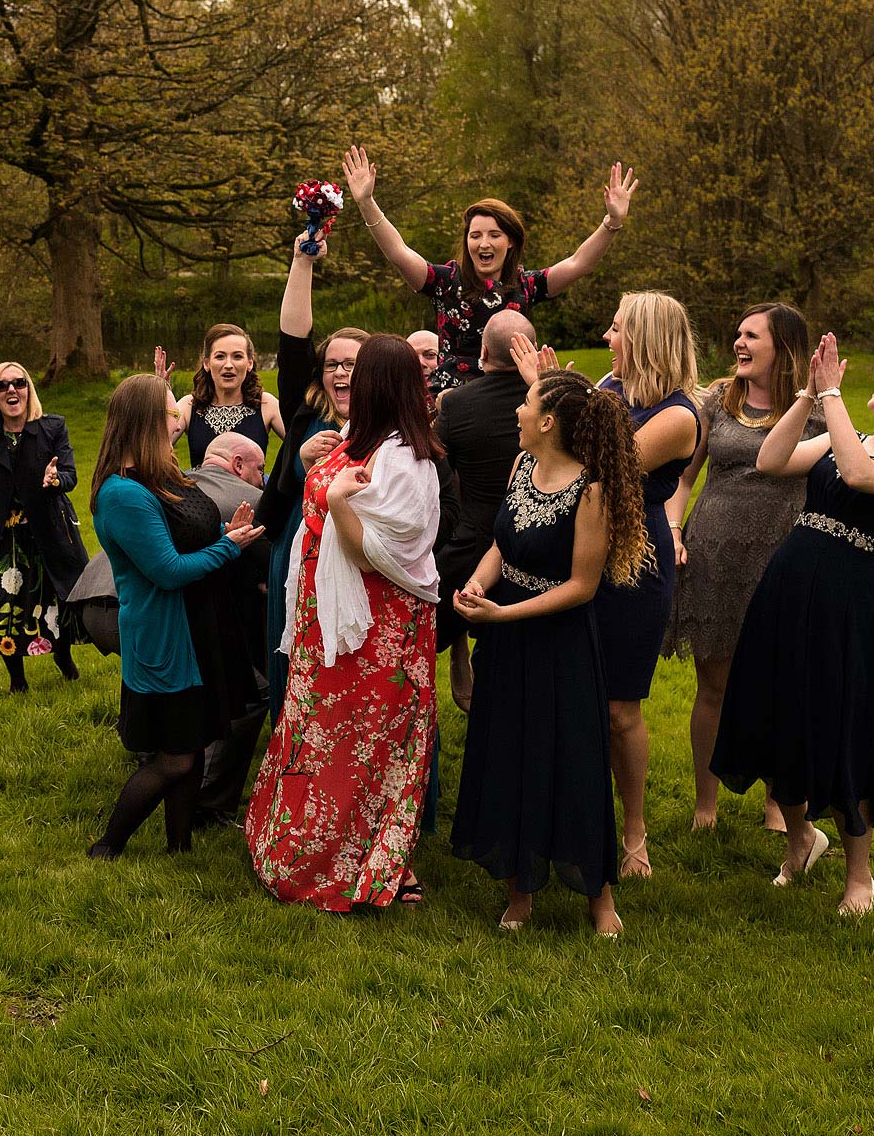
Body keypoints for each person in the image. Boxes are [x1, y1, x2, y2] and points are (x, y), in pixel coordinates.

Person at [712, 338, 874, 916]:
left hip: (845, 600)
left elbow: (857, 476)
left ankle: (860, 878)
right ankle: (802, 840)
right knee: (784, 707)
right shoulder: (841, 432)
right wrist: (808, 394)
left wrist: (832, 393)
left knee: (843, 718)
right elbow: (771, 461)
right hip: (788, 584)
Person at [243, 335, 443, 912]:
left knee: (368, 750)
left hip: (375, 635)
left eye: (359, 374)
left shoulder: (405, 458)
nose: (346, 382)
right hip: (327, 629)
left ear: (380, 385)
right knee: (321, 742)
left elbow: (374, 553)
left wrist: (334, 501)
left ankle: (372, 868)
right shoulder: (359, 438)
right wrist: (315, 474)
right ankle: (301, 853)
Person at [449, 370, 649, 937]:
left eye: (526, 403)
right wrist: (479, 586)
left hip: (559, 642)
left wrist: (503, 615)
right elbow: (500, 545)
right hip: (506, 635)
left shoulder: (591, 490)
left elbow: (582, 586)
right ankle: (520, 890)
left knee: (570, 759)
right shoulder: (520, 467)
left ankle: (599, 897)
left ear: (548, 422)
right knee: (512, 750)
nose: (516, 411)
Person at [87, 375, 264, 858]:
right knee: (176, 757)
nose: (180, 419)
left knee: (190, 747)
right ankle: (108, 846)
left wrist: (225, 531)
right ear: (148, 422)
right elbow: (167, 571)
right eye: (171, 412)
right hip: (164, 637)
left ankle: (179, 849)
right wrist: (229, 547)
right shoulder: (123, 494)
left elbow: (184, 537)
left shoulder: (157, 475)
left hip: (193, 628)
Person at [664, 303, 820, 832]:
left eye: (752, 335)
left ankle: (779, 801)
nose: (739, 343)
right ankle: (705, 805)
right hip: (714, 559)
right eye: (738, 334)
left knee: (780, 685)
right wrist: (675, 529)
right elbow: (685, 479)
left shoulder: (816, 411)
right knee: (714, 685)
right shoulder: (717, 400)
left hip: (779, 562)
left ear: (783, 347)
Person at [343, 144, 638, 393]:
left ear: (510, 241)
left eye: (494, 235)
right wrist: (366, 202)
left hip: (512, 396)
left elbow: (578, 263)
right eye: (476, 235)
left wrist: (612, 223)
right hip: (451, 399)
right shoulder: (445, 281)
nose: (484, 243)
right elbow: (398, 252)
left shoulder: (526, 285)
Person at [590, 292, 701, 879]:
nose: (608, 337)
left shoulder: (679, 415)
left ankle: (634, 831)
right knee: (579, 696)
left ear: (645, 338)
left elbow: (603, 465)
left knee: (619, 708)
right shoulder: (609, 391)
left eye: (616, 328)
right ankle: (584, 818)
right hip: (582, 550)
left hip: (634, 562)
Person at [254, 229, 367, 718]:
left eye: (353, 365)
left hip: (363, 556)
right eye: (332, 364)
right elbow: (293, 338)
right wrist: (302, 263)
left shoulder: (387, 423)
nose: (340, 374)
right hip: (300, 550)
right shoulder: (307, 409)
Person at [0, 361, 88, 693]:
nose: (12, 389)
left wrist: (55, 480)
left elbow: (71, 475)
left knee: (54, 599)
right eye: (2, 386)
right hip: (4, 537)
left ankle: (63, 656)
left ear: (28, 389)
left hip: (49, 531)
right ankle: (18, 681)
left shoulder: (52, 428)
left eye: (19, 382)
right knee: (6, 605)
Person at [434, 312, 539, 710]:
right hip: (535, 539)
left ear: (482, 352)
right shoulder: (555, 400)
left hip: (472, 540)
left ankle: (458, 640)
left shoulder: (458, 403)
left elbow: (438, 470)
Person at [187, 431, 275, 823]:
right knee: (251, 691)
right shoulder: (251, 500)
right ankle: (205, 802)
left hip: (97, 603)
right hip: (163, 611)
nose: (263, 478)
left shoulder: (177, 483)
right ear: (238, 466)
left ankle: (162, 764)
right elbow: (277, 563)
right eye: (259, 469)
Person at [158, 323, 286, 467]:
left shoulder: (266, 404)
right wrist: (162, 397)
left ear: (249, 363)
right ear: (207, 363)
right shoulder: (189, 406)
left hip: (252, 489)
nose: (228, 365)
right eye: (220, 357)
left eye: (237, 356)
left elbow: (300, 445)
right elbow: (155, 448)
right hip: (201, 489)